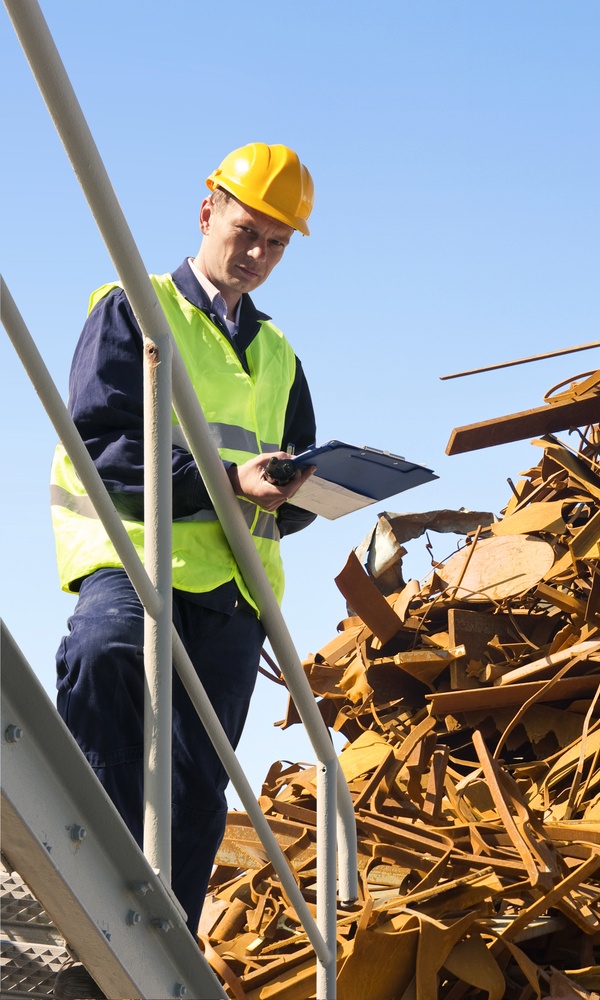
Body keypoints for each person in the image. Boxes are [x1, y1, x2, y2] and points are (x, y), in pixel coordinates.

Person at [50, 143, 318, 996]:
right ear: (208, 212)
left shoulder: (280, 356)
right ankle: (81, 914)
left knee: (202, 786)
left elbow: (290, 479)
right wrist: (227, 481)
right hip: (138, 562)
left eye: (276, 244)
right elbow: (102, 446)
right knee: (102, 662)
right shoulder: (136, 310)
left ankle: (150, 954)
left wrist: (311, 491)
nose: (257, 255)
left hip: (234, 597)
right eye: (247, 231)